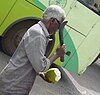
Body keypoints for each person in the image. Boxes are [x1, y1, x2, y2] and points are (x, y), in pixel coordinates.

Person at [0, 5, 66, 95]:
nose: (57, 30)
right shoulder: (38, 35)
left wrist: (40, 74)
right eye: (58, 26)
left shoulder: (39, 32)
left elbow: (32, 59)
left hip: (14, 83)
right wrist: (57, 54)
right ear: (52, 21)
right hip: (13, 86)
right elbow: (40, 66)